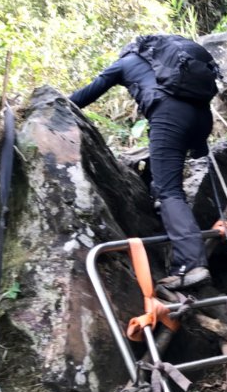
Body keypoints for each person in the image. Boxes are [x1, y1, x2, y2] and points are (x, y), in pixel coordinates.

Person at [69, 35, 214, 290]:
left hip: (169, 116)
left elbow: (83, 96)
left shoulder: (125, 63)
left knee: (170, 191)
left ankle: (190, 266)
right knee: (163, 179)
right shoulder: (172, 66)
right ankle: (163, 211)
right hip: (201, 117)